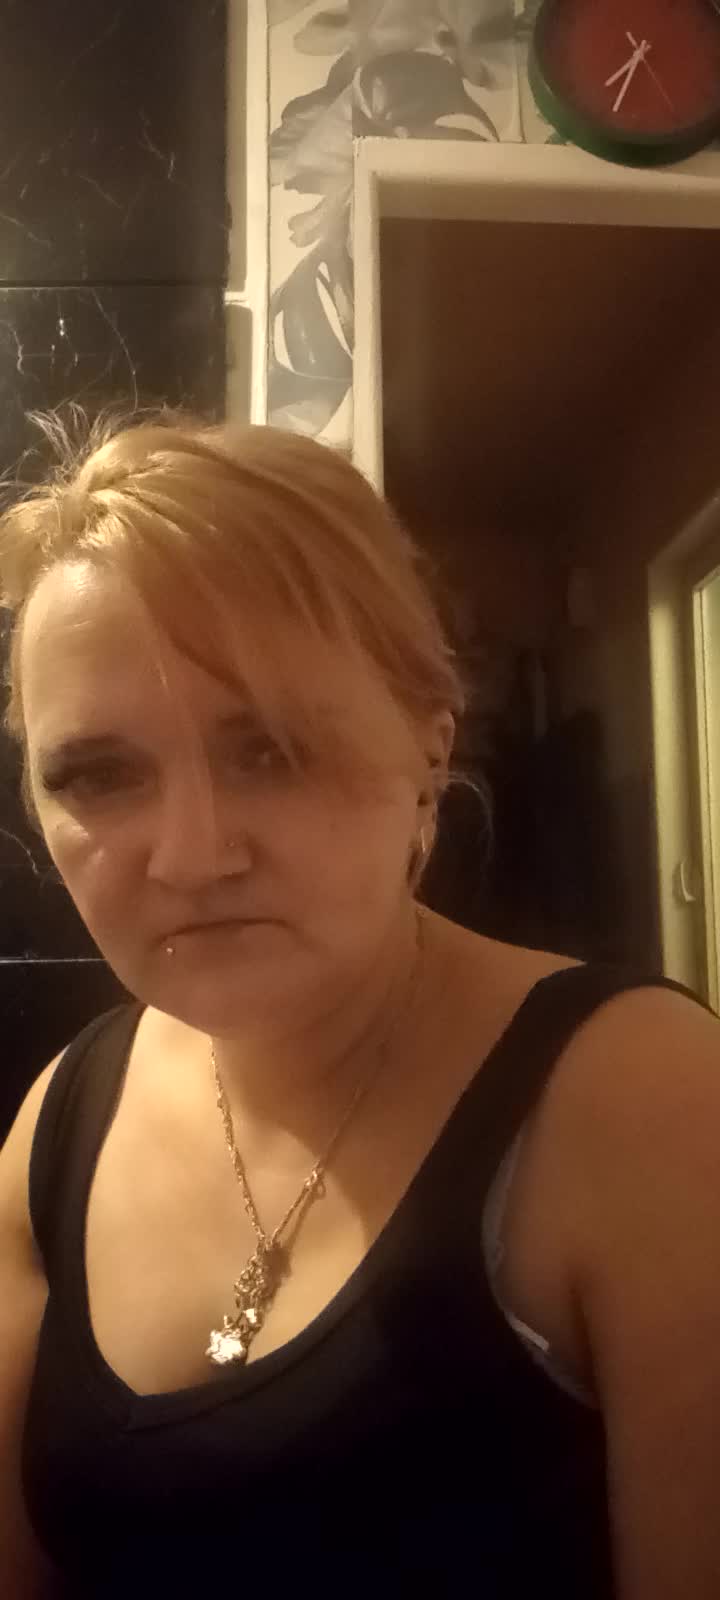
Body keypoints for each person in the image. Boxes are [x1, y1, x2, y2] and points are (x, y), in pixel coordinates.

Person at [0, 411, 719, 1599]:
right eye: (100, 774)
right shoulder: (58, 1124)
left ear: (430, 749)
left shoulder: (639, 1095)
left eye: (273, 750)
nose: (191, 855)